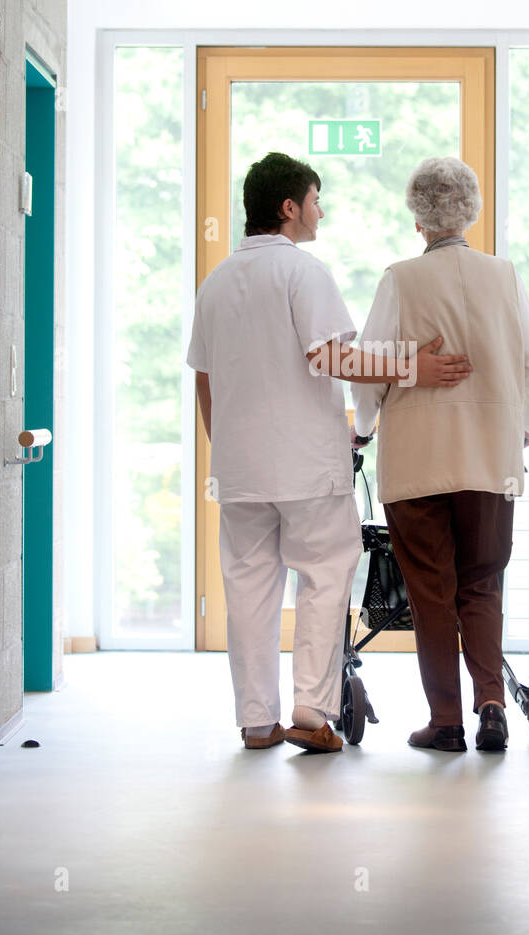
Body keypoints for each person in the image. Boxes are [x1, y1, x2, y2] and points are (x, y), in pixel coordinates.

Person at [186, 152, 472, 754]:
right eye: (316, 201)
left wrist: (233, 450)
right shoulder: (302, 272)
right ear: (289, 208)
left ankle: (256, 722)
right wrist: (411, 366)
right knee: (324, 576)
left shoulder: (213, 284)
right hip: (307, 468)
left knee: (248, 592)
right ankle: (311, 712)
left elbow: (204, 383)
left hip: (239, 472)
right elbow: (330, 358)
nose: (322, 211)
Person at [351, 156, 529, 752]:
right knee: (482, 585)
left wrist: (363, 427)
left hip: (416, 464)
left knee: (432, 593)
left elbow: (367, 373)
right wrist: (520, 428)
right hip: (490, 462)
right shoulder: (505, 275)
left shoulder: (399, 280)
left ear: (418, 220)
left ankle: (446, 722)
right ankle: (492, 703)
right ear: (472, 211)